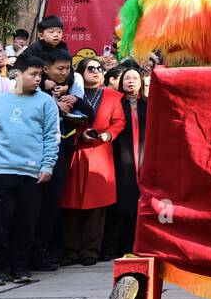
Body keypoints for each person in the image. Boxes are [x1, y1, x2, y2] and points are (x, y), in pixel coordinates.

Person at [0, 55, 59, 286]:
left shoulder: (45, 102)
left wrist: (47, 165)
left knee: (26, 222)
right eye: (33, 74)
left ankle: (21, 268)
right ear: (16, 75)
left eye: (40, 75)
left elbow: (51, 137)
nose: (38, 79)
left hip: (31, 171)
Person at [30, 48, 94, 272]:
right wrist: (54, 107)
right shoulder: (34, 91)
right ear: (45, 69)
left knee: (51, 207)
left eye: (67, 69)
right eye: (60, 69)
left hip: (60, 154)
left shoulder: (69, 90)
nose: (64, 73)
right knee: (33, 207)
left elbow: (90, 114)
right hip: (33, 155)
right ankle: (28, 253)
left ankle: (43, 251)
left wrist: (74, 100)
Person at [60, 57, 124, 266]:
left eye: (99, 68)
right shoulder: (71, 94)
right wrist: (79, 136)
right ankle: (70, 250)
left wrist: (108, 135)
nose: (96, 71)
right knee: (70, 204)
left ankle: (90, 251)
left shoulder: (114, 96)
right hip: (75, 151)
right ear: (80, 73)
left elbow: (119, 121)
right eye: (91, 68)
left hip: (100, 152)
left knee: (97, 206)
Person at [102, 62, 147, 259]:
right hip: (120, 155)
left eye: (134, 78)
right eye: (127, 78)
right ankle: (111, 248)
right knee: (119, 203)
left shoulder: (148, 104)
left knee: (138, 205)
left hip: (143, 157)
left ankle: (134, 246)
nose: (131, 82)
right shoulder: (115, 103)